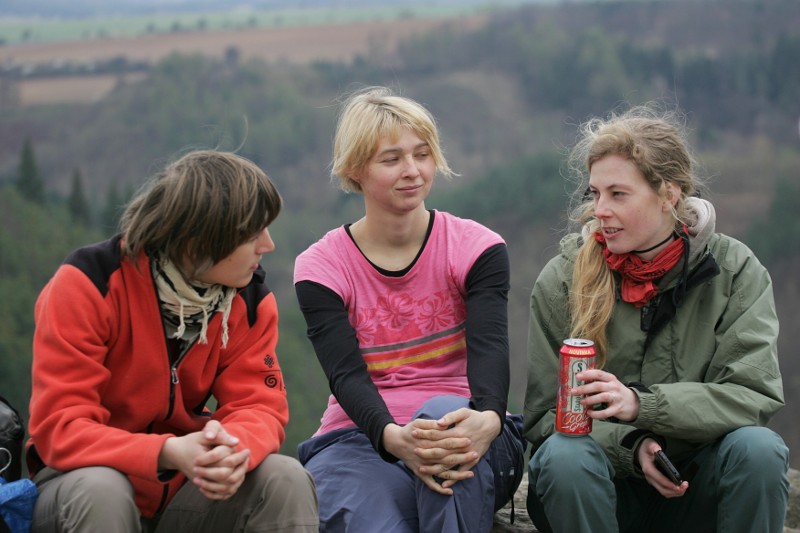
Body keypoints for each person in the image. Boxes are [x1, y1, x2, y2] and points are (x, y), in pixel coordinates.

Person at [523, 104, 790, 533]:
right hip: (599, 490)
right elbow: (542, 418)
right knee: (563, 456)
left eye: (618, 194)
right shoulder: (564, 277)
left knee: (759, 450)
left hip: (695, 491)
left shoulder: (734, 271)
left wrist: (641, 405)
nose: (600, 210)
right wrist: (631, 445)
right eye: (595, 194)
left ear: (669, 195)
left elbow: (751, 395)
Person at [27, 150, 319, 533]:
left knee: (283, 477)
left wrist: (228, 450)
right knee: (104, 490)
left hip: (183, 490)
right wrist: (166, 452)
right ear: (198, 241)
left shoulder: (248, 301)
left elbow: (259, 406)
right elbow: (60, 426)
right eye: (251, 234)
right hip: (79, 485)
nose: (268, 245)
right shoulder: (89, 284)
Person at [293, 86, 525, 532]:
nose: (413, 171)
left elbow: (490, 348)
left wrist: (490, 418)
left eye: (422, 154)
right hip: (362, 439)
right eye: (391, 159)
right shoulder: (322, 267)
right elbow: (345, 375)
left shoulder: (475, 248)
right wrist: (393, 439)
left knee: (443, 430)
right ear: (355, 169)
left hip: (468, 429)